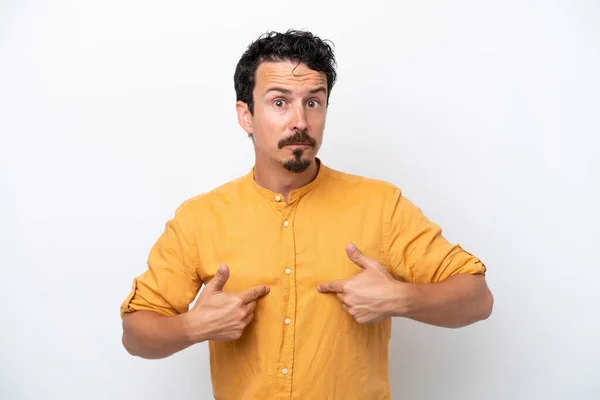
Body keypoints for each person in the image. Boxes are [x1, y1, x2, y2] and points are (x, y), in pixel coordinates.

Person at [120, 29, 494, 399]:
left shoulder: (381, 206)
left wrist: (400, 299)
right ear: (246, 115)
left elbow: (478, 298)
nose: (300, 120)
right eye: (279, 102)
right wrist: (192, 327)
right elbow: (135, 334)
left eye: (313, 102)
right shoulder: (199, 219)